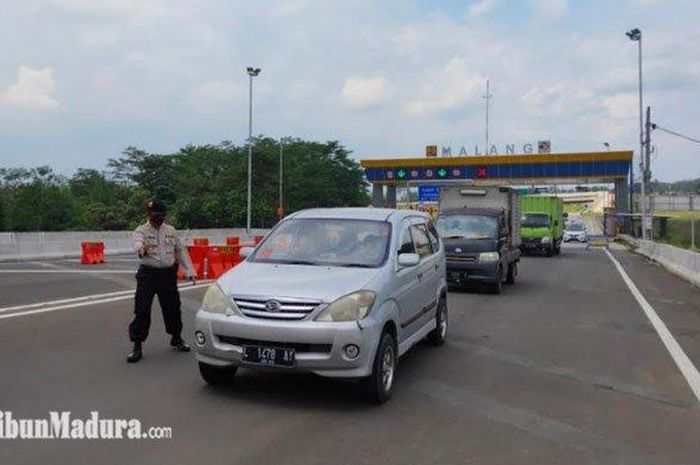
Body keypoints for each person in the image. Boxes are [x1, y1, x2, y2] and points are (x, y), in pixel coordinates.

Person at [127, 201, 196, 363]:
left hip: (167, 275)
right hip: (148, 275)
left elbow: (180, 250)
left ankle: (176, 337)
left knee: (172, 307)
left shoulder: (171, 231)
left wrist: (189, 270)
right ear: (149, 214)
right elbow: (137, 242)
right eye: (155, 214)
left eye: (161, 215)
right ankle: (137, 345)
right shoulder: (141, 230)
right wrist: (140, 248)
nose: (158, 217)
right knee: (142, 309)